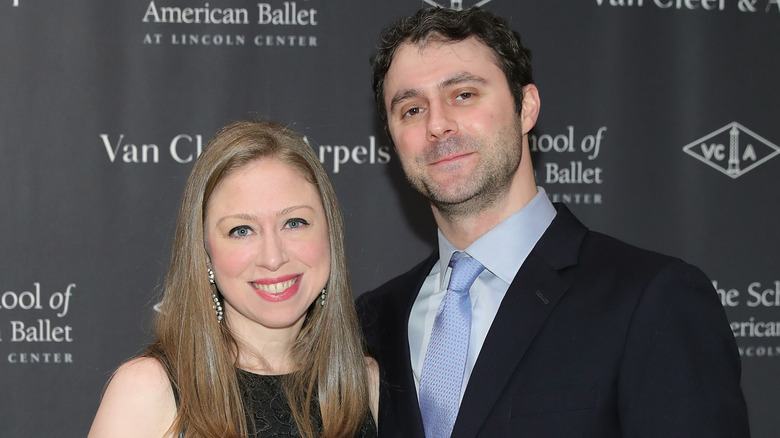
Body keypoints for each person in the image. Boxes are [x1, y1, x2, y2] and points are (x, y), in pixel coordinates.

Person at [356, 7, 749, 438]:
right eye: (411, 109)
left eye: (463, 94)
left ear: (526, 108)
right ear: (392, 138)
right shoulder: (374, 320)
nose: (437, 124)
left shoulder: (652, 299)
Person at [89, 120, 379, 438]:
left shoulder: (366, 385)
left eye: (294, 222)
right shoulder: (146, 390)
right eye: (241, 230)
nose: (273, 257)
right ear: (205, 252)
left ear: (329, 234)